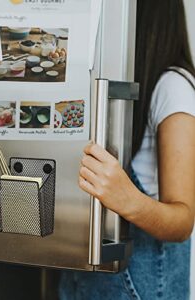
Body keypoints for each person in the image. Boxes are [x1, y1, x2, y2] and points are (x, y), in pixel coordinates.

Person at [59, 1, 195, 299]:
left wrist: (127, 198)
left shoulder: (173, 86)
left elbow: (183, 221)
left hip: (138, 289)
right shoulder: (109, 81)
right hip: (81, 279)